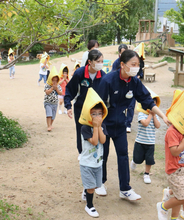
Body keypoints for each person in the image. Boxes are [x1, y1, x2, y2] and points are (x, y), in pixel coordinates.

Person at [97, 50, 171, 200]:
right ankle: (100, 182)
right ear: (123, 65)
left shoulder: (134, 82)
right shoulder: (108, 80)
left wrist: (162, 115)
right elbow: (97, 105)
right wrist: (97, 126)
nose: (136, 67)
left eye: (138, 65)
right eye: (133, 64)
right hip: (104, 124)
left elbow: (147, 100)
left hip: (120, 124)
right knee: (102, 155)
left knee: (123, 155)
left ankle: (125, 189)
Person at [64, 49, 106, 161]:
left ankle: (96, 152)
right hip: (81, 109)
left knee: (97, 128)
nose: (100, 64)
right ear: (89, 62)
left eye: (102, 61)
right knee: (81, 130)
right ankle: (81, 152)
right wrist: (68, 106)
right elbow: (70, 90)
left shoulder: (102, 75)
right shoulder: (80, 73)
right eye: (98, 61)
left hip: (97, 110)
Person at [79, 103, 108, 218]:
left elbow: (103, 140)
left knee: (96, 185)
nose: (97, 117)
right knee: (91, 187)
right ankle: (89, 206)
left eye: (100, 114)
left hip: (97, 163)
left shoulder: (103, 126)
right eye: (94, 114)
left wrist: (99, 127)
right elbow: (95, 142)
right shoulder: (85, 128)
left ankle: (86, 189)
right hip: (86, 163)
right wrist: (95, 127)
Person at [130, 98, 160, 184]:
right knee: (138, 159)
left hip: (150, 142)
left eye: (154, 106)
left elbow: (158, 126)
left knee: (149, 159)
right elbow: (145, 123)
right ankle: (134, 161)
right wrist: (150, 114)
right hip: (140, 141)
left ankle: (146, 174)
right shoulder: (141, 114)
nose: (152, 108)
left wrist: (154, 115)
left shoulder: (156, 115)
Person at [44, 67, 62, 132]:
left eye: (56, 80)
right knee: (49, 114)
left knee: (53, 116)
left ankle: (50, 124)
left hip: (55, 103)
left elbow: (60, 93)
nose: (54, 82)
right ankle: (48, 126)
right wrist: (52, 88)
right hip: (48, 102)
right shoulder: (47, 85)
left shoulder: (58, 86)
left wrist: (56, 88)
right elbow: (47, 92)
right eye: (53, 80)